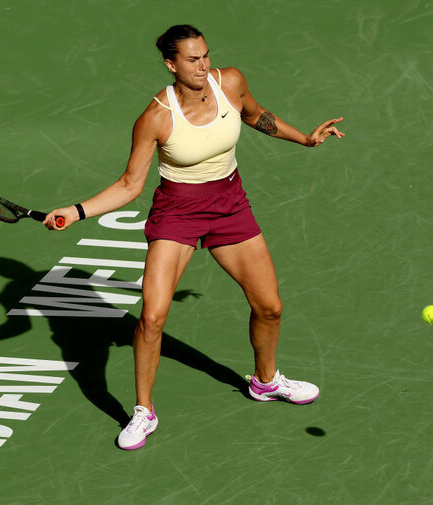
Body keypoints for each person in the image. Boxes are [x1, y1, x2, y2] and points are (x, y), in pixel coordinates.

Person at [44, 24, 344, 450]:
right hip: (177, 214)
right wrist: (76, 212)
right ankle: (143, 412)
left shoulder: (230, 82)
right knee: (152, 317)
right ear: (171, 64)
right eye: (191, 59)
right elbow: (130, 185)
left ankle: (265, 381)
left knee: (270, 307)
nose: (203, 66)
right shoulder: (156, 118)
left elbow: (256, 116)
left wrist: (306, 140)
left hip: (230, 205)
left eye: (205, 55)